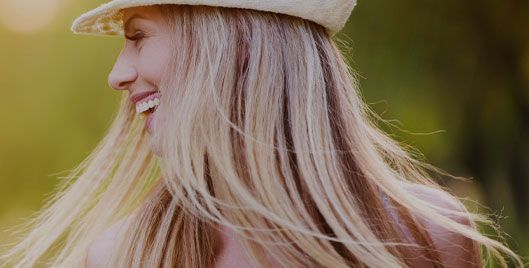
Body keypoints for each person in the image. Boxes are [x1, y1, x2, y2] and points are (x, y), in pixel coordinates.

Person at [0, 1, 522, 267]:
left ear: (238, 46)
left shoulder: (427, 234)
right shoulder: (123, 256)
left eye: (138, 37)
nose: (116, 74)